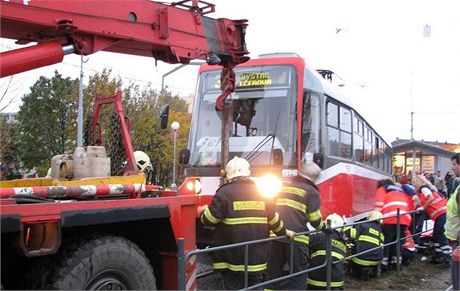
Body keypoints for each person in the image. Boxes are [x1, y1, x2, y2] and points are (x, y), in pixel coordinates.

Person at [199, 156, 292, 289]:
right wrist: (285, 232)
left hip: (231, 258)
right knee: (255, 286)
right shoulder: (262, 192)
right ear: (248, 173)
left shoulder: (224, 192)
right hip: (256, 258)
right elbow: (274, 221)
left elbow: (209, 220)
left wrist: (202, 211)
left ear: (227, 175)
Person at [266, 161, 325, 290]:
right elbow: (315, 220)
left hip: (275, 235)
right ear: (314, 177)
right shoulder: (312, 192)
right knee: (298, 276)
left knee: (272, 274)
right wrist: (325, 228)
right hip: (297, 239)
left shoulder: (283, 186)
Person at [374, 179, 413, 272]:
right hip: (404, 219)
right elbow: (410, 205)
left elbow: (379, 205)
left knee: (387, 242)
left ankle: (384, 265)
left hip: (390, 218)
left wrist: (376, 220)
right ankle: (397, 263)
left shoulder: (382, 189)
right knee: (398, 242)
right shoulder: (400, 190)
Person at [412, 174, 450, 268]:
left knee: (441, 236)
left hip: (441, 214)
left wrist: (422, 208)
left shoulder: (423, 189)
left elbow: (431, 198)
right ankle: (438, 256)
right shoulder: (428, 189)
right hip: (442, 214)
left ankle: (447, 259)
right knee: (436, 235)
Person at [307, 213, 346, 290]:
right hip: (336, 282)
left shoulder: (318, 236)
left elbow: (303, 243)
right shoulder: (343, 243)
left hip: (315, 281)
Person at [343, 210, 384, 280]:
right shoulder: (381, 232)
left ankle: (355, 275)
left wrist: (344, 224)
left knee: (351, 254)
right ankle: (373, 273)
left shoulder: (362, 225)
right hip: (376, 260)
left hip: (360, 259)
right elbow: (381, 248)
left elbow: (350, 233)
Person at [445, 153, 460, 290]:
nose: (452, 168)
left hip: (459, 241)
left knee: (458, 277)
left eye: (454, 164)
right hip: (455, 239)